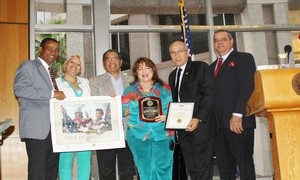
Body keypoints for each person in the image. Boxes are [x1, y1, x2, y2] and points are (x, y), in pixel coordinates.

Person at [13, 37, 66, 180]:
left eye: (56, 50)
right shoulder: (28, 66)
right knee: (37, 172)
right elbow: (20, 89)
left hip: (54, 129)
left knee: (51, 172)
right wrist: (51, 94)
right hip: (37, 128)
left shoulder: (52, 72)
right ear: (40, 49)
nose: (53, 52)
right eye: (50, 48)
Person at [210, 29, 256, 180]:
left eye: (223, 39)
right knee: (225, 167)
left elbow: (247, 87)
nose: (219, 43)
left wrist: (237, 115)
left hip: (239, 122)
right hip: (218, 126)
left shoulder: (244, 58)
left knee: (244, 165)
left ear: (231, 41)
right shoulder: (211, 67)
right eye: (216, 40)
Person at [168, 40, 215, 180]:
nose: (176, 55)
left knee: (202, 171)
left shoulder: (200, 67)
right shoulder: (172, 75)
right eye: (172, 52)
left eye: (180, 51)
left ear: (187, 52)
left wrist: (198, 118)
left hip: (200, 128)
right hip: (183, 130)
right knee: (192, 170)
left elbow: (209, 94)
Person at [122, 57, 174, 180]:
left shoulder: (165, 89)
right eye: (140, 69)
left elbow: (175, 110)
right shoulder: (129, 90)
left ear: (153, 70)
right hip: (137, 136)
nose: (144, 71)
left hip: (163, 134)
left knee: (163, 169)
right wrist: (113, 100)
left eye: (147, 67)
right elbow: (123, 111)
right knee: (145, 170)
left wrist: (168, 117)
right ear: (136, 72)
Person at [89, 49, 135, 180]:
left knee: (127, 171)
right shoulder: (94, 81)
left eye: (115, 58)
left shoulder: (132, 80)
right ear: (104, 64)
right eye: (108, 59)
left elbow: (137, 103)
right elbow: (95, 104)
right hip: (106, 131)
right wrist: (107, 101)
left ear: (121, 62)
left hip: (128, 130)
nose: (112, 61)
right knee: (106, 171)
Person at [55, 55, 92, 180]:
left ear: (80, 69)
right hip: (65, 128)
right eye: (72, 62)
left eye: (78, 64)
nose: (74, 65)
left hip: (85, 128)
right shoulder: (56, 82)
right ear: (66, 64)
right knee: (65, 163)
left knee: (85, 163)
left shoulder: (86, 82)